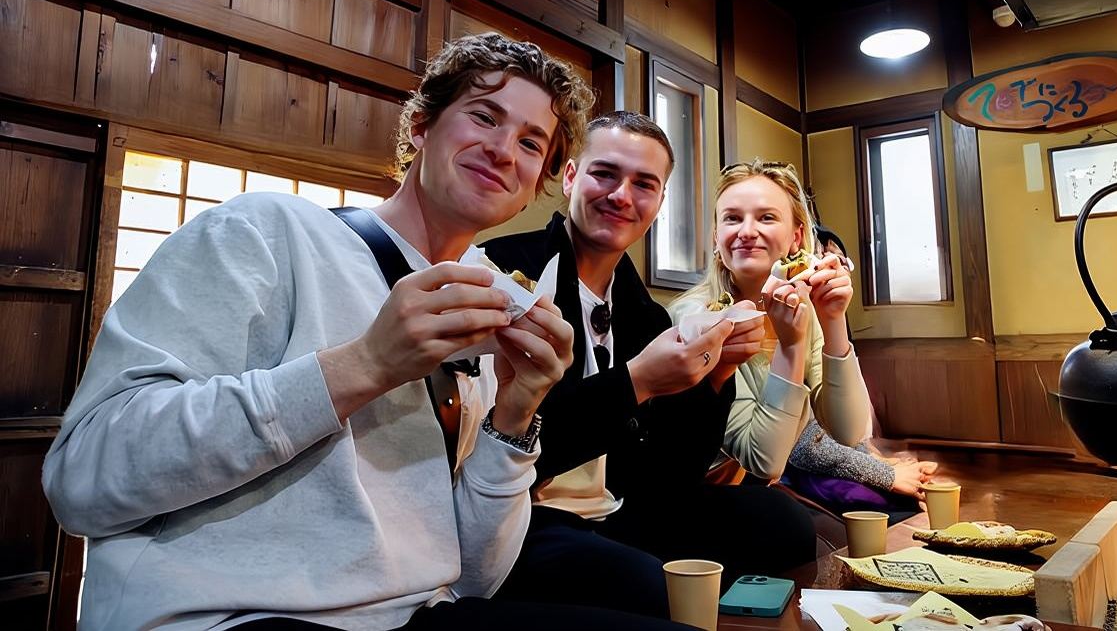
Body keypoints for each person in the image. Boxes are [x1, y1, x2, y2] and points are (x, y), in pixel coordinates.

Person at [42, 34, 693, 631]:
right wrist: (364, 365)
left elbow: (469, 575)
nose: (503, 148)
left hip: (411, 614)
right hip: (225, 614)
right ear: (420, 126)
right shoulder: (267, 231)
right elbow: (83, 479)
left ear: (534, 188)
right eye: (484, 116)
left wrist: (516, 416)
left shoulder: (490, 300)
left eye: (530, 142)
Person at [483, 112, 816, 618]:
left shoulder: (646, 314)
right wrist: (636, 382)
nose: (621, 196)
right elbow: (508, 441)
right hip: (525, 513)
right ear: (571, 177)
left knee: (781, 521)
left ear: (659, 203)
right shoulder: (507, 273)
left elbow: (671, 474)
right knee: (644, 583)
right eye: (605, 174)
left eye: (644, 184)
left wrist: (714, 376)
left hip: (622, 507)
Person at [669, 160, 873, 483]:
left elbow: (849, 431)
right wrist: (791, 346)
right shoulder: (697, 318)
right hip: (686, 493)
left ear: (796, 237)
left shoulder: (803, 309)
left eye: (766, 217)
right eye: (732, 218)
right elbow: (762, 461)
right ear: (716, 239)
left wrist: (833, 319)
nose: (747, 231)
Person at [782, 226, 938, 523]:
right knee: (897, 505)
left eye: (840, 261)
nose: (831, 268)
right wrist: (885, 472)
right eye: (820, 257)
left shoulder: (825, 318)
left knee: (915, 496)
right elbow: (802, 441)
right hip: (792, 471)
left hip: (822, 456)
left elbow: (843, 427)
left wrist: (879, 459)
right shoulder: (785, 311)